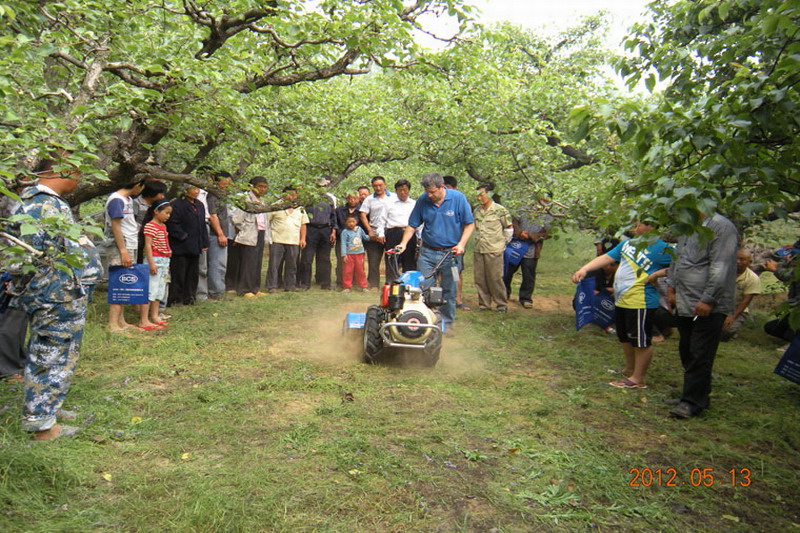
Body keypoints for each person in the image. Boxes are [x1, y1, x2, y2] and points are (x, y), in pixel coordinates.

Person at [5, 155, 87, 440]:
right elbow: (31, 258)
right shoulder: (41, 205)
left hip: (58, 293)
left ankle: (49, 408)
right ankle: (42, 426)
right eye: (77, 172)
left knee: (57, 355)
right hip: (52, 295)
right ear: (62, 171)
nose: (79, 179)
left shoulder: (44, 202)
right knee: (49, 355)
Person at [572, 220, 673, 389]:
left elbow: (682, 265)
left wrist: (657, 274)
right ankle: (629, 369)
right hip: (622, 299)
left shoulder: (663, 248)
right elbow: (606, 257)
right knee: (624, 337)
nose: (637, 226)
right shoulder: (628, 244)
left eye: (642, 223)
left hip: (640, 300)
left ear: (652, 227)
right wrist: (584, 269)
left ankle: (638, 379)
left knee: (640, 340)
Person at [666, 211, 738, 419]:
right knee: (687, 348)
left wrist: (708, 298)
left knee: (700, 351)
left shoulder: (721, 227)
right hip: (685, 300)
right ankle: (696, 395)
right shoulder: (687, 225)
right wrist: (671, 287)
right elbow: (677, 258)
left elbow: (721, 266)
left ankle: (691, 402)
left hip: (708, 304)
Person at [395, 173, 474, 335]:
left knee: (449, 290)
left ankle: (447, 324)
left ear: (441, 187)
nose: (429, 195)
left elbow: (469, 224)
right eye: (427, 192)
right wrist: (403, 244)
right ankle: (427, 323)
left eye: (432, 192)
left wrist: (461, 244)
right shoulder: (423, 200)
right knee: (424, 289)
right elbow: (412, 225)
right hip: (427, 253)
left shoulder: (458, 198)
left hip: (452, 254)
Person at [104, 178, 145, 331]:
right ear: (137, 185)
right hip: (120, 246)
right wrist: (123, 250)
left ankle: (121, 321)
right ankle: (113, 324)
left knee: (124, 285)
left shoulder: (127, 200)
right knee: (118, 283)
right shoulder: (116, 200)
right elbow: (116, 226)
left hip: (130, 243)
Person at [504, 204, 554, 309]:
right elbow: (513, 221)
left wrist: (531, 236)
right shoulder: (523, 208)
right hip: (516, 246)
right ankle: (504, 294)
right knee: (508, 271)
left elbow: (548, 232)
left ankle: (526, 298)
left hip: (532, 249)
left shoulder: (548, 214)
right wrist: (520, 233)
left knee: (528, 275)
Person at [166, 185, 209, 306]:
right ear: (186, 190)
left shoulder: (199, 205)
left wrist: (204, 241)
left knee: (192, 273)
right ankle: (175, 299)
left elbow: (202, 225)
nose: (196, 192)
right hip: (180, 245)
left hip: (195, 245)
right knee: (179, 273)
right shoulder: (177, 205)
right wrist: (183, 236)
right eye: (193, 189)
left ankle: (189, 298)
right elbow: (172, 224)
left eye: (197, 189)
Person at [473, 185, 513, 312]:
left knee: (495, 278)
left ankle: (501, 304)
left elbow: (509, 228)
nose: (479, 198)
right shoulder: (477, 210)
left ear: (489, 194)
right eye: (477, 195)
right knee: (480, 278)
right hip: (479, 248)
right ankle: (484, 304)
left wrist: (502, 243)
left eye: (481, 195)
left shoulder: (500, 210)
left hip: (494, 249)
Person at [228, 176, 269, 297]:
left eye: (265, 187)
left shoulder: (262, 201)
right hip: (249, 233)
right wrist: (245, 229)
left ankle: (255, 288)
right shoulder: (245, 199)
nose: (262, 189)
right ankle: (245, 289)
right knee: (248, 261)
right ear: (252, 187)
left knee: (257, 261)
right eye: (260, 186)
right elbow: (237, 219)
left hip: (260, 232)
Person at [266, 187, 309, 292]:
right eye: (288, 195)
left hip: (293, 240)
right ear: (283, 195)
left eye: (293, 195)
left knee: (292, 265)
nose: (290, 197)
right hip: (277, 239)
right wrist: (268, 237)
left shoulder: (299, 208)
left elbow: (303, 224)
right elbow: (267, 222)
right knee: (274, 265)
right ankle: (272, 286)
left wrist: (303, 238)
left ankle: (290, 286)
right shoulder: (276, 206)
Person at [299, 177, 337, 290]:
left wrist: (333, 231)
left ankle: (325, 283)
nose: (321, 188)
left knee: (324, 257)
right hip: (311, 229)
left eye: (323, 186)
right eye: (318, 186)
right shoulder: (307, 198)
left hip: (325, 229)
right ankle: (305, 283)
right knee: (307, 257)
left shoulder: (330, 199)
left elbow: (333, 216)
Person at [378, 179, 417, 283]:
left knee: (409, 261)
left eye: (405, 190)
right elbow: (381, 220)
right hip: (393, 233)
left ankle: (408, 285)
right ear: (396, 191)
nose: (402, 192)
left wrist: (420, 236)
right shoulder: (388, 203)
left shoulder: (414, 204)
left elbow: (419, 222)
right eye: (400, 190)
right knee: (392, 260)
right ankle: (391, 284)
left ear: (409, 190)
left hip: (410, 234)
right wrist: (380, 233)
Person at [359, 176, 394, 289]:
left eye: (380, 185)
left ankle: (390, 284)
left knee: (391, 259)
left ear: (385, 185)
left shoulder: (394, 197)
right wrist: (369, 230)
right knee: (373, 260)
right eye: (375, 186)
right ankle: (373, 284)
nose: (378, 188)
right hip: (374, 232)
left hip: (390, 231)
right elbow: (363, 214)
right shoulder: (369, 199)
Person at [762, 241, 799, 344]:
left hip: (796, 308)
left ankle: (793, 342)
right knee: (771, 328)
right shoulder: (793, 267)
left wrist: (774, 269)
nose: (789, 259)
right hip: (793, 308)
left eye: (793, 258)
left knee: (791, 329)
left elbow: (787, 276)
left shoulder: (797, 272)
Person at [143, 201, 173, 329]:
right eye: (166, 213)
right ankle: (144, 318)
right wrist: (151, 263)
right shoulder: (150, 226)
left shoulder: (163, 226)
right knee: (151, 289)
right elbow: (148, 246)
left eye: (169, 214)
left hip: (164, 260)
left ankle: (154, 315)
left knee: (160, 289)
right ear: (156, 211)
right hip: (155, 259)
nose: (168, 216)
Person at [205, 171, 234, 300]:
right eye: (224, 183)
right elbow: (213, 216)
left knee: (222, 264)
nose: (227, 186)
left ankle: (219, 290)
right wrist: (220, 234)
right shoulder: (212, 196)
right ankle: (215, 292)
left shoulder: (223, 196)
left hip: (223, 234)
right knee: (216, 264)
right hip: (215, 235)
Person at [721, 249, 761, 341]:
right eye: (736, 258)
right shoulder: (724, 271)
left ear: (749, 262)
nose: (738, 261)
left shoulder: (752, 278)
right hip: (719, 306)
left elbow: (745, 301)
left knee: (727, 331)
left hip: (737, 309)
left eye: (742, 259)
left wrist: (731, 317)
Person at [443, 175, 468, 310]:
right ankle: (440, 299)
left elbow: (467, 224)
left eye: (448, 187)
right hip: (438, 246)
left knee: (456, 272)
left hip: (455, 245)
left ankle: (457, 299)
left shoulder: (460, 202)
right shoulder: (438, 202)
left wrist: (461, 243)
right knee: (439, 273)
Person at [335, 192, 362, 289]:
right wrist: (340, 232)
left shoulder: (362, 210)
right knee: (341, 260)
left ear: (358, 199)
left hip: (356, 241)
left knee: (357, 263)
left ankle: (356, 283)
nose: (352, 200)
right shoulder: (339, 210)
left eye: (355, 198)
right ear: (347, 199)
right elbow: (336, 223)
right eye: (350, 198)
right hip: (342, 238)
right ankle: (340, 282)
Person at [340, 215, 369, 292]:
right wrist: (344, 255)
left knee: (360, 271)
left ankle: (363, 286)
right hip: (349, 254)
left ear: (356, 222)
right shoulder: (345, 232)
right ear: (346, 223)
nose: (351, 223)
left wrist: (373, 236)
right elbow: (343, 244)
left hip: (359, 254)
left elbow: (365, 237)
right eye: (349, 222)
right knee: (347, 271)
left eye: (353, 222)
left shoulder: (359, 229)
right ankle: (347, 287)